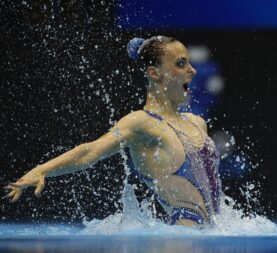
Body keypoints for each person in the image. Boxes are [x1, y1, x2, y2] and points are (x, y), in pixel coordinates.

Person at [4, 35, 222, 227]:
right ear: (154, 73)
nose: (192, 71)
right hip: (182, 242)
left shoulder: (196, 122)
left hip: (214, 236)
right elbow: (91, 151)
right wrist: (42, 170)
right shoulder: (141, 123)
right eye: (181, 64)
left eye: (189, 63)